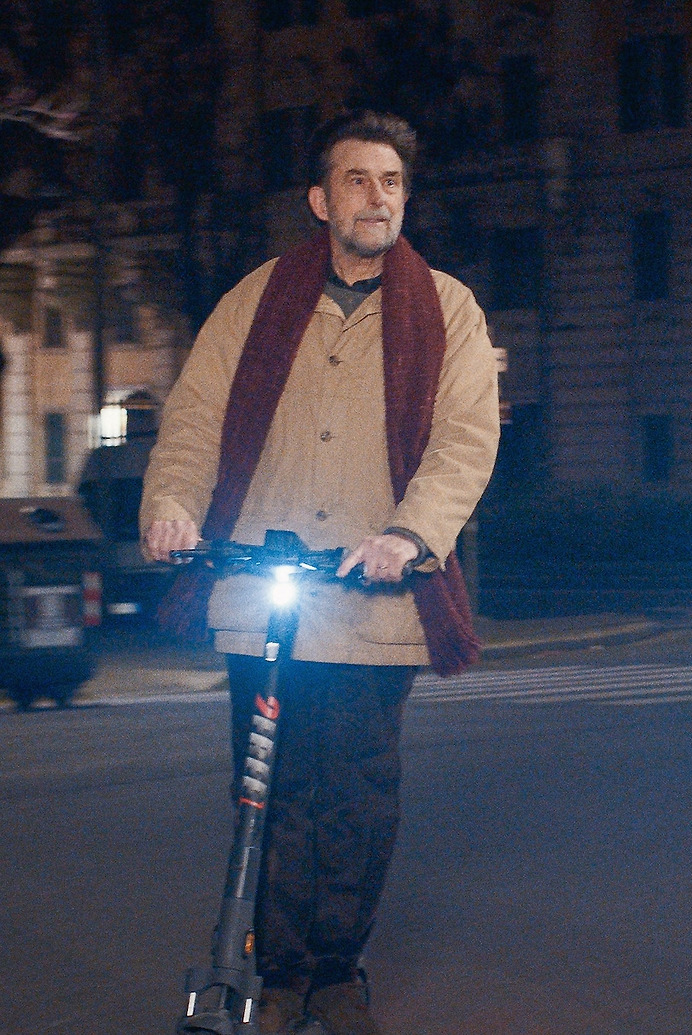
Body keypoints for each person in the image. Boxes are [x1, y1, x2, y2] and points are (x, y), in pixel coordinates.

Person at [140, 110, 500, 1035]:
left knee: (355, 798)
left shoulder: (447, 307)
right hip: (263, 591)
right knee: (268, 787)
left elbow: (464, 441)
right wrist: (171, 506)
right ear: (320, 198)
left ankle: (336, 969)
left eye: (391, 181)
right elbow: (194, 418)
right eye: (357, 179)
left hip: (374, 598)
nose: (377, 197)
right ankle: (276, 968)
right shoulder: (257, 299)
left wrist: (408, 535)